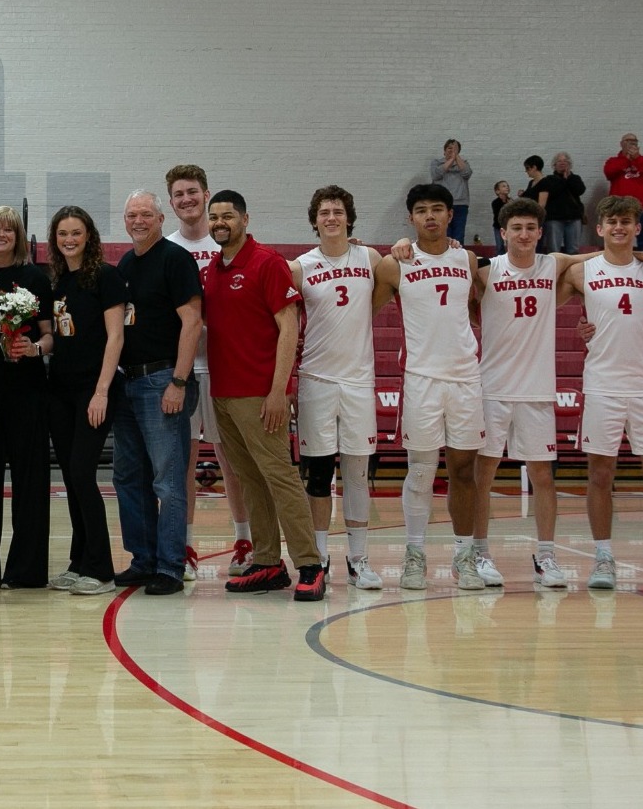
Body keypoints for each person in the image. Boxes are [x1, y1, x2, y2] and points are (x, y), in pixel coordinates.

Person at [561, 194, 643, 591]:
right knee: (600, 473)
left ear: (637, 227)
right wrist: (579, 329)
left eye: (626, 222)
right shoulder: (580, 272)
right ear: (599, 228)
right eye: (611, 222)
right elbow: (555, 266)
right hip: (602, 383)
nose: (618, 227)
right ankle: (603, 558)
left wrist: (642, 256)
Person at [200, 191, 322, 600]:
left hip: (260, 394)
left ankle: (310, 564)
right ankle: (269, 562)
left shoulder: (266, 262)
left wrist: (279, 390)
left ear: (245, 219)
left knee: (281, 478)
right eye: (214, 216)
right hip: (224, 394)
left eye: (228, 216)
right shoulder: (215, 268)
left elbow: (289, 326)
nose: (220, 223)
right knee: (250, 480)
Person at [372, 184, 485, 591]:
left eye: (438, 209)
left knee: (463, 471)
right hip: (421, 379)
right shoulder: (395, 263)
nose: (430, 216)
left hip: (465, 379)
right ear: (411, 218)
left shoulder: (467, 258)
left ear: (450, 215)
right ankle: (415, 554)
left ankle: (464, 556)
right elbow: (362, 306)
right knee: (421, 470)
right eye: (421, 211)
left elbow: (485, 306)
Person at [469, 197, 583, 589]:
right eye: (516, 228)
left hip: (536, 391)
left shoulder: (554, 265)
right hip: (493, 388)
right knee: (482, 476)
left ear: (540, 232)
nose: (524, 234)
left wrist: (640, 252)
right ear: (503, 233)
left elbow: (606, 254)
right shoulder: (485, 271)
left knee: (543, 477)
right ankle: (480, 552)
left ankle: (547, 555)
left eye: (530, 228)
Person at [289, 186, 383, 590]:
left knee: (357, 472)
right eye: (324, 211)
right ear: (315, 220)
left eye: (338, 211)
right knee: (319, 474)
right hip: (317, 380)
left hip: (359, 380)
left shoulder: (370, 257)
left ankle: (359, 559)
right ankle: (320, 557)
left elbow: (384, 294)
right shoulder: (299, 266)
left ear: (349, 218)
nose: (331, 217)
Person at [111, 190, 201, 597]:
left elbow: (192, 322)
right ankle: (143, 559)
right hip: (128, 382)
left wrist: (179, 382)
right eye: (132, 215)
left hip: (162, 381)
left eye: (146, 214)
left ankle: (170, 565)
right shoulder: (127, 263)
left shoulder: (175, 259)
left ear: (160, 219)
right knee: (129, 477)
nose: (139, 220)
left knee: (167, 481)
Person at [164, 164, 251, 580]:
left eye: (193, 192)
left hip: (225, 367)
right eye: (179, 194)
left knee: (232, 459)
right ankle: (183, 546)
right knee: (182, 463)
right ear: (171, 202)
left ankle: (244, 540)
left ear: (206, 195)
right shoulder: (165, 248)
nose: (187, 199)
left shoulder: (228, 244)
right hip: (181, 368)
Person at [0, 205, 54, 588]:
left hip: (28, 391)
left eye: (9, 229)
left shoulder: (34, 276)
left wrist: (34, 348)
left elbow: (50, 334)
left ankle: (27, 570)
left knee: (31, 481)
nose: (1, 234)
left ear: (18, 236)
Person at [43, 206, 124, 596]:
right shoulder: (57, 280)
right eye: (62, 234)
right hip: (60, 391)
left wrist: (102, 391)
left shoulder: (105, 277)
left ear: (88, 236)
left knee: (81, 474)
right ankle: (79, 562)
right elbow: (56, 336)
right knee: (71, 481)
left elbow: (116, 338)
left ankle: (103, 570)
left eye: (76, 233)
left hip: (94, 391)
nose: (69, 240)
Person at [604, 134, 643, 251]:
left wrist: (637, 158)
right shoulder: (613, 161)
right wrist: (626, 159)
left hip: (642, 207)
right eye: (628, 141)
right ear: (621, 144)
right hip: (620, 208)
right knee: (619, 238)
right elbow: (609, 172)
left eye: (634, 141)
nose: (632, 143)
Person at [430, 138, 473, 244]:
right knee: (443, 233)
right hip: (441, 204)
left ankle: (457, 258)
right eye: (449, 148)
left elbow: (467, 173)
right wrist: (451, 159)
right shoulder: (436, 163)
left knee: (459, 234)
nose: (452, 150)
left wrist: (456, 157)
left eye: (455, 148)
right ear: (444, 151)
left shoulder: (464, 163)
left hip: (460, 204)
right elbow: (436, 175)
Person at [543, 152, 587, 254]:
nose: (562, 163)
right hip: (554, 219)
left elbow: (580, 190)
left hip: (574, 218)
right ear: (554, 165)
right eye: (559, 161)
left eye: (565, 161)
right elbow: (553, 192)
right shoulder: (549, 179)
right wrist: (564, 180)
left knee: (573, 250)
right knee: (554, 249)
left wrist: (569, 178)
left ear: (569, 164)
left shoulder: (575, 178)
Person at [521, 156, 552, 255]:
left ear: (534, 167)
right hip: (529, 217)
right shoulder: (531, 182)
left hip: (538, 218)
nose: (526, 172)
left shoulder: (545, 182)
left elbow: (541, 204)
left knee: (537, 243)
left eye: (527, 169)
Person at [490, 180, 511, 247]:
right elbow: (499, 214)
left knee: (510, 244)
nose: (507, 187)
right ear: (497, 191)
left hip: (509, 226)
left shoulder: (510, 201)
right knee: (499, 246)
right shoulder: (495, 202)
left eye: (507, 186)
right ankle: (500, 256)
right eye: (504, 186)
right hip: (498, 226)